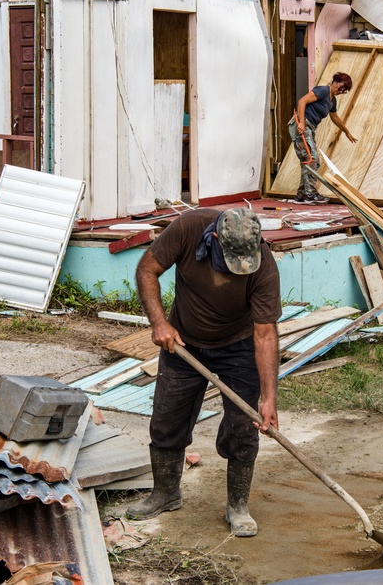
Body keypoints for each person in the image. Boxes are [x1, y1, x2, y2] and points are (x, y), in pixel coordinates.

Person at [127, 207, 281, 537]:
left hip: (237, 347)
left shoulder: (263, 265)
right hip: (183, 343)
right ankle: (165, 494)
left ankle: (237, 506)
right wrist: (159, 323)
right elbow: (147, 270)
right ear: (213, 239)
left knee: (243, 424)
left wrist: (269, 398)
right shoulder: (187, 228)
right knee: (168, 419)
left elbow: (265, 334)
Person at [290, 72, 358, 204]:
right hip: (302, 125)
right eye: (340, 87)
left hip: (310, 128)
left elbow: (335, 117)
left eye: (344, 91)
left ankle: (302, 195)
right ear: (335, 82)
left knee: (308, 159)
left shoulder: (332, 100)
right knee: (312, 159)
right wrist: (302, 122)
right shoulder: (322, 91)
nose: (340, 91)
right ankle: (310, 194)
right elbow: (302, 101)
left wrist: (346, 131)